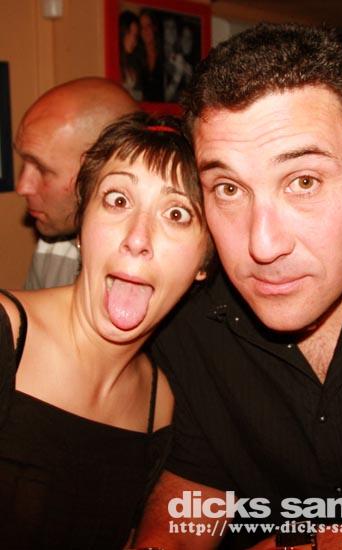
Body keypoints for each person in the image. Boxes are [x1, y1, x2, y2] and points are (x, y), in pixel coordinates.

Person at [134, 23, 342, 549]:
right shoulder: (187, 312)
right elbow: (191, 498)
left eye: (303, 182)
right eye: (228, 188)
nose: (262, 245)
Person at [0, 112, 209, 549]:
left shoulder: (162, 405)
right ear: (81, 224)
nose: (138, 238)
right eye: (117, 200)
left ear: (205, 261)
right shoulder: (7, 334)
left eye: (176, 213)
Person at [15, 77, 138, 290]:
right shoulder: (53, 246)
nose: (22, 187)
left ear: (101, 171)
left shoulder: (151, 262)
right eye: (24, 162)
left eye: (42, 169)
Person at [119, 10, 144, 101]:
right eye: (130, 33)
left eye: (136, 36)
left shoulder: (133, 62)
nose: (134, 40)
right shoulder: (114, 61)